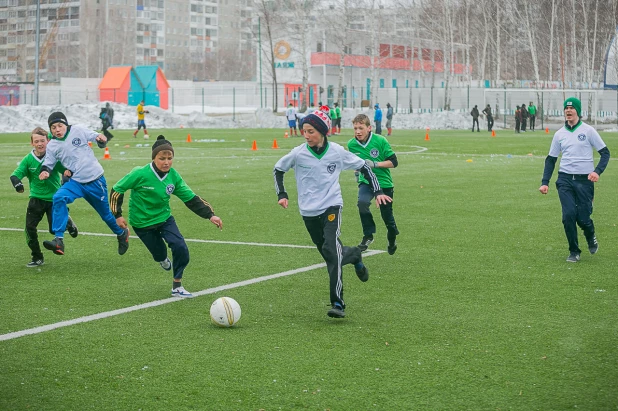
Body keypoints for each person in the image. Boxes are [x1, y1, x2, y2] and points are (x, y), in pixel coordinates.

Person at [273, 109, 391, 318]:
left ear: (322, 131)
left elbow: (365, 167)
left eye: (310, 131)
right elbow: (278, 169)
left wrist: (378, 191)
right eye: (304, 131)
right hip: (308, 212)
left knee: (331, 249)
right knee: (330, 255)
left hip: (331, 206)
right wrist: (282, 193)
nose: (306, 135)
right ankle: (354, 255)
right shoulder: (298, 153)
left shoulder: (336, 151)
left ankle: (338, 303)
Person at [110, 135, 223, 298]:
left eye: (170, 158)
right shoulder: (140, 173)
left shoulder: (173, 176)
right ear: (154, 158)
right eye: (162, 158)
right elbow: (117, 189)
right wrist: (118, 215)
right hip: (142, 223)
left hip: (164, 219)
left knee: (180, 247)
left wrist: (210, 215)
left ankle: (177, 285)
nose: (166, 162)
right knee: (159, 253)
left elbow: (190, 198)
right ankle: (162, 259)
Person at [39, 111, 130, 256]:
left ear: (66, 124)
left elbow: (97, 138)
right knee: (58, 197)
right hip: (76, 183)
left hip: (95, 181)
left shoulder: (78, 130)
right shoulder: (52, 146)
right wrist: (45, 171)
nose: (57, 130)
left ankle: (121, 234)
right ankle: (59, 240)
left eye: (60, 125)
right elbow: (48, 163)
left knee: (106, 215)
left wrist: (101, 139)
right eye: (53, 127)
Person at [539, 97, 610, 263]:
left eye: (571, 108)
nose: (568, 111)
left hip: (585, 181)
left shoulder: (588, 131)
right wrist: (545, 182)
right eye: (566, 109)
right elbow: (551, 159)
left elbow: (605, 153)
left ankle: (590, 233)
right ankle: (574, 251)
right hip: (565, 180)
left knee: (583, 219)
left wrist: (597, 171)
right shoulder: (559, 134)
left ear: (578, 111)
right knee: (568, 215)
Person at [10, 127, 78, 267]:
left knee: (53, 230)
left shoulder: (52, 157)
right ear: (32, 143)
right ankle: (37, 257)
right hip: (36, 200)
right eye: (36, 141)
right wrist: (17, 183)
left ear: (48, 141)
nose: (40, 144)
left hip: (54, 199)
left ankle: (67, 222)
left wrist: (68, 174)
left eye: (42, 140)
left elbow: (66, 169)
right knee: (29, 229)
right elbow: (15, 175)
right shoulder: (28, 160)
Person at [348, 114, 399, 255]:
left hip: (384, 184)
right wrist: (358, 174)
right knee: (362, 203)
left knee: (387, 218)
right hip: (366, 182)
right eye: (355, 128)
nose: (358, 131)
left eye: (361, 128)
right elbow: (355, 164)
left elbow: (394, 162)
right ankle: (368, 235)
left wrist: (375, 164)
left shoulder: (380, 140)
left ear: (369, 128)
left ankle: (392, 238)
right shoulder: (351, 144)